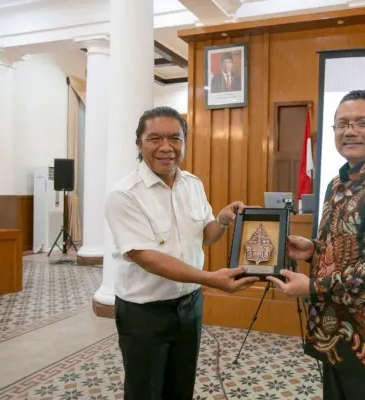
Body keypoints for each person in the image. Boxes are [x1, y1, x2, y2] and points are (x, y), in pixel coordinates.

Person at [267, 90, 365, 399]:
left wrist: (313, 286)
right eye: (341, 124)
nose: (349, 131)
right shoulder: (338, 183)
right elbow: (351, 244)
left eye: (362, 122)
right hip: (335, 335)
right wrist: (314, 249)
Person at [104, 106, 259, 400]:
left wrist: (223, 220)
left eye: (175, 138)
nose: (166, 147)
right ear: (139, 144)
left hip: (190, 306)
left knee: (181, 387)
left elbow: (206, 236)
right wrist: (212, 279)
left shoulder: (192, 184)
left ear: (185, 142)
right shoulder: (124, 194)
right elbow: (149, 258)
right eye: (155, 139)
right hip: (144, 313)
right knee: (145, 391)